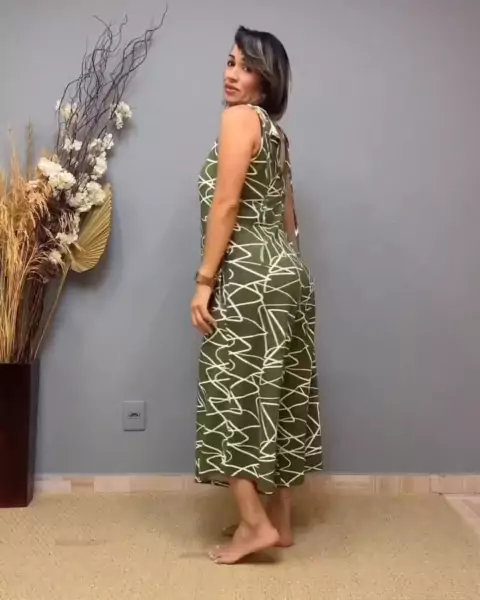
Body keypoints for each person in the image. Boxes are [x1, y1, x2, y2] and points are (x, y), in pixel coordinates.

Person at [191, 25, 322, 565]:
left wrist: (205, 280)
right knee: (282, 393)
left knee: (235, 392)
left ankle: (253, 524)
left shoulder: (239, 119)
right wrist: (284, 272)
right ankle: (280, 520)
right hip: (288, 271)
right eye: (231, 62)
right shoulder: (277, 135)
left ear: (265, 84)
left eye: (246, 68)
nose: (232, 74)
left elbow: (226, 204)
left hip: (249, 274)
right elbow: (291, 221)